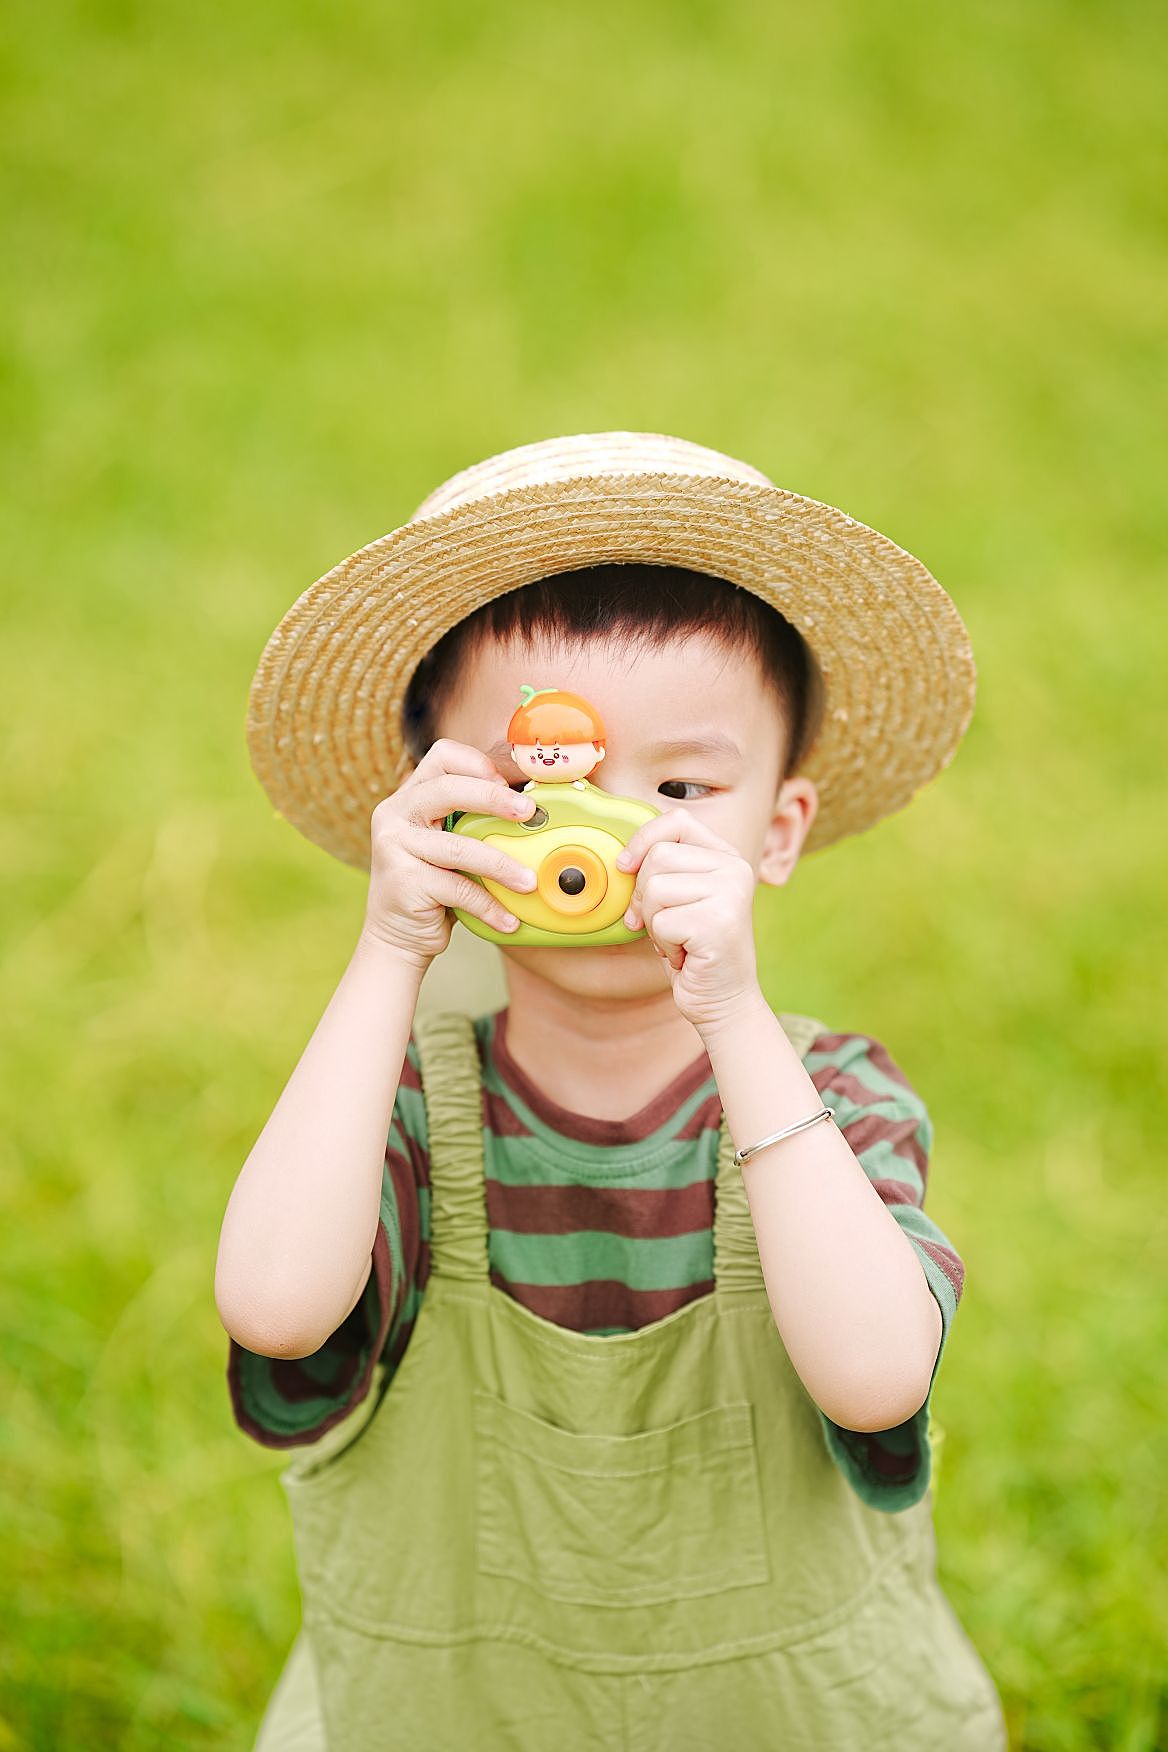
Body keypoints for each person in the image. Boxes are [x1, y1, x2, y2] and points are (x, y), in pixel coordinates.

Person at [216, 432, 1008, 1749]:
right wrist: (388, 953)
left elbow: (877, 1378)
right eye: (545, 786)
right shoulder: (396, 1106)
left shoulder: (834, 1100)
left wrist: (735, 1015)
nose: (616, 839)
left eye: (684, 788)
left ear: (782, 829)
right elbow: (276, 1309)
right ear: (442, 813)